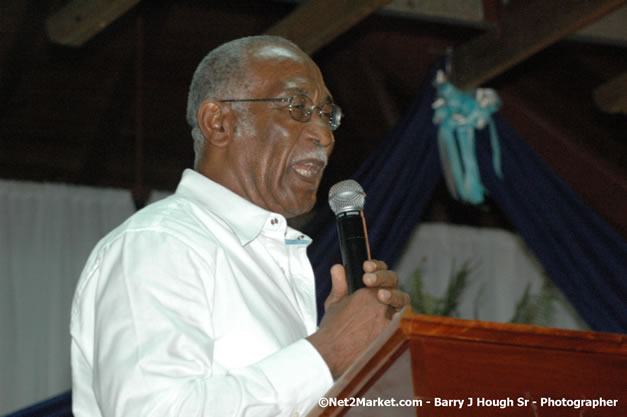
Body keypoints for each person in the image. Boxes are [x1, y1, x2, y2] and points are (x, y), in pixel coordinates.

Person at [70, 35, 410, 417]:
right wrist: (329, 350)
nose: (325, 136)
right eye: (298, 106)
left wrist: (366, 359)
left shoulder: (273, 259)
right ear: (218, 122)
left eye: (327, 114)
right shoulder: (160, 243)